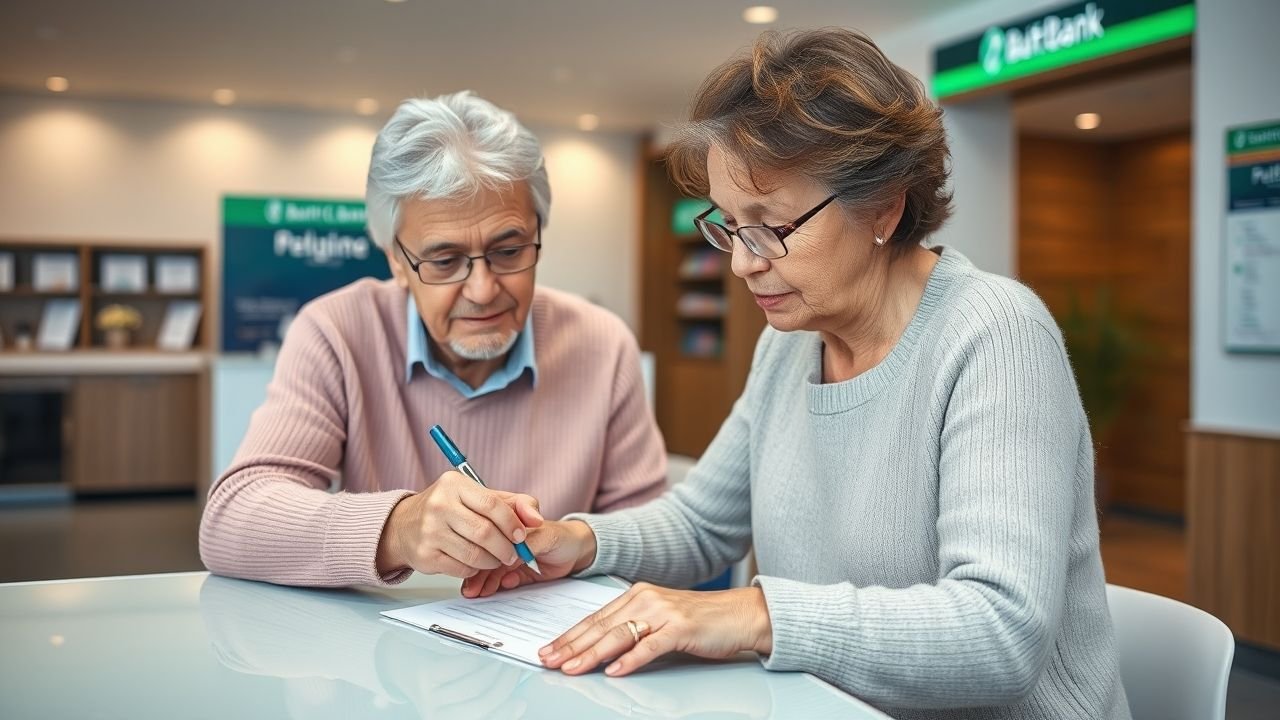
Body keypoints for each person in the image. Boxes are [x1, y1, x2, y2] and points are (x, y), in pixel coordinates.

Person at [465, 30, 1130, 719]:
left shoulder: (995, 335)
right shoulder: (790, 342)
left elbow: (999, 633)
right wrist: (576, 542)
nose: (742, 263)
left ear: (883, 207)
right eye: (729, 226)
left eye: (771, 226)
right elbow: (702, 525)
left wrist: (755, 615)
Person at [199, 91, 668, 588]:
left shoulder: (602, 344)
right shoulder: (336, 332)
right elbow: (232, 519)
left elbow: (667, 541)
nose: (484, 290)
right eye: (444, 262)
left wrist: (577, 542)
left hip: (550, 652)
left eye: (509, 251)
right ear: (396, 261)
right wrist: (399, 528)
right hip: (382, 656)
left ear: (538, 233)